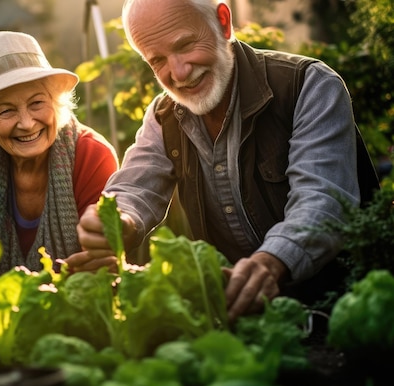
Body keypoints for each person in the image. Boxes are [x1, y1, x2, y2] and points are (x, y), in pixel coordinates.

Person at [65, 0, 380, 322]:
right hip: (238, 319)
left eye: (186, 45)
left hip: (344, 311)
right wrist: (118, 220)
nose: (179, 72)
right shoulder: (164, 116)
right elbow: (134, 187)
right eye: (157, 60)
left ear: (224, 22)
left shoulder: (306, 85)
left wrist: (270, 263)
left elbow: (324, 200)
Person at [0, 31, 119, 282]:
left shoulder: (92, 155)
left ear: (56, 102)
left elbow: (99, 269)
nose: (26, 123)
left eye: (37, 103)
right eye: (6, 110)